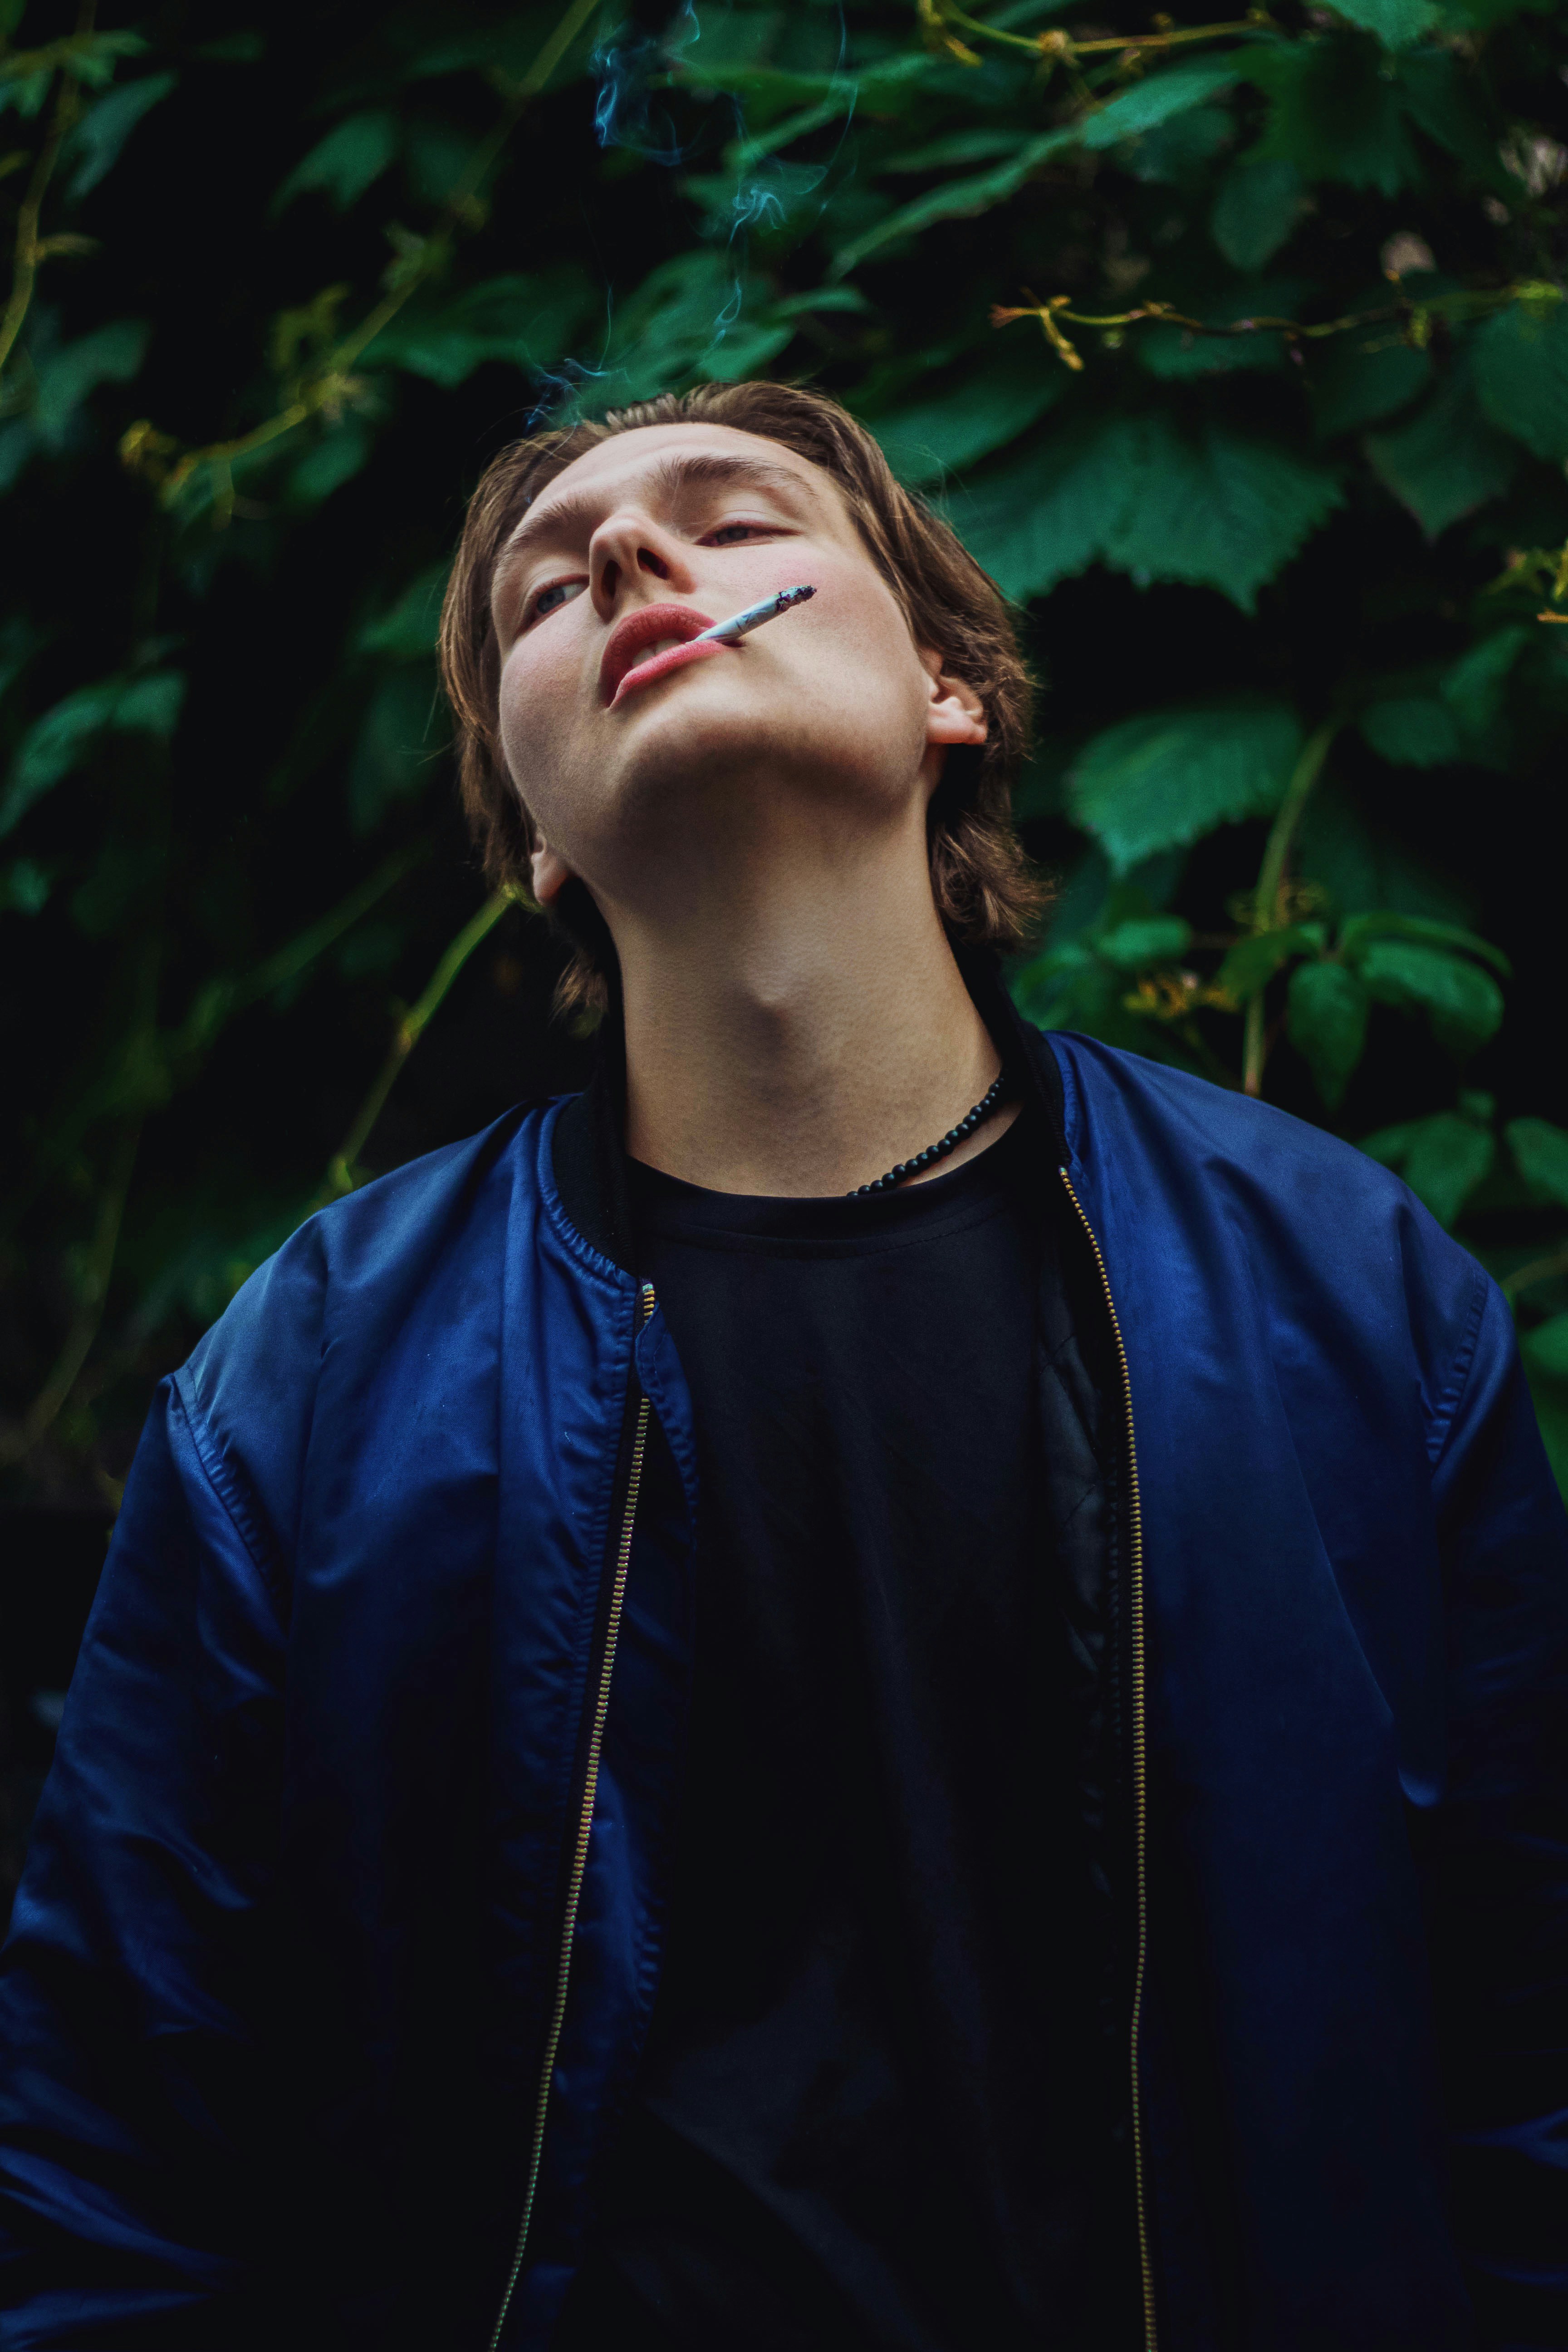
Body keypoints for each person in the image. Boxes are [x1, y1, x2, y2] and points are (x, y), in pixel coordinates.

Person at [0, 380, 1564, 2352]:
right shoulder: (306, 1383)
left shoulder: (1358, 1299)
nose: (638, 560)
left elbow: (1530, 2078)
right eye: (549, 590)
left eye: (736, 519)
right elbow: (108, 2166)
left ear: (948, 692)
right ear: (538, 844)